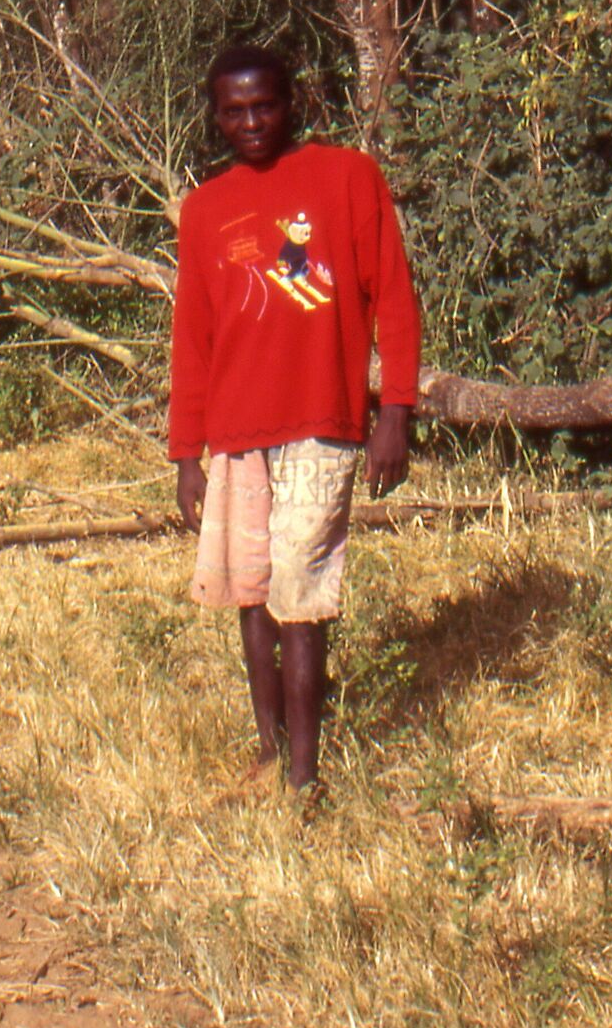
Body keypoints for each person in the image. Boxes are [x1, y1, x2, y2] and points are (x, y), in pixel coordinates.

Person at [169, 42, 422, 799]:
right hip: (238, 433)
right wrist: (188, 453)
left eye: (265, 105)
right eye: (234, 111)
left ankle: (306, 778)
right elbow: (194, 338)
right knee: (251, 594)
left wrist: (395, 414)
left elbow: (396, 303)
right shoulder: (206, 208)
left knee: (301, 596)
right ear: (215, 118)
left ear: (294, 103)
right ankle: (270, 752)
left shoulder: (348, 179)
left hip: (323, 422)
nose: (251, 122)